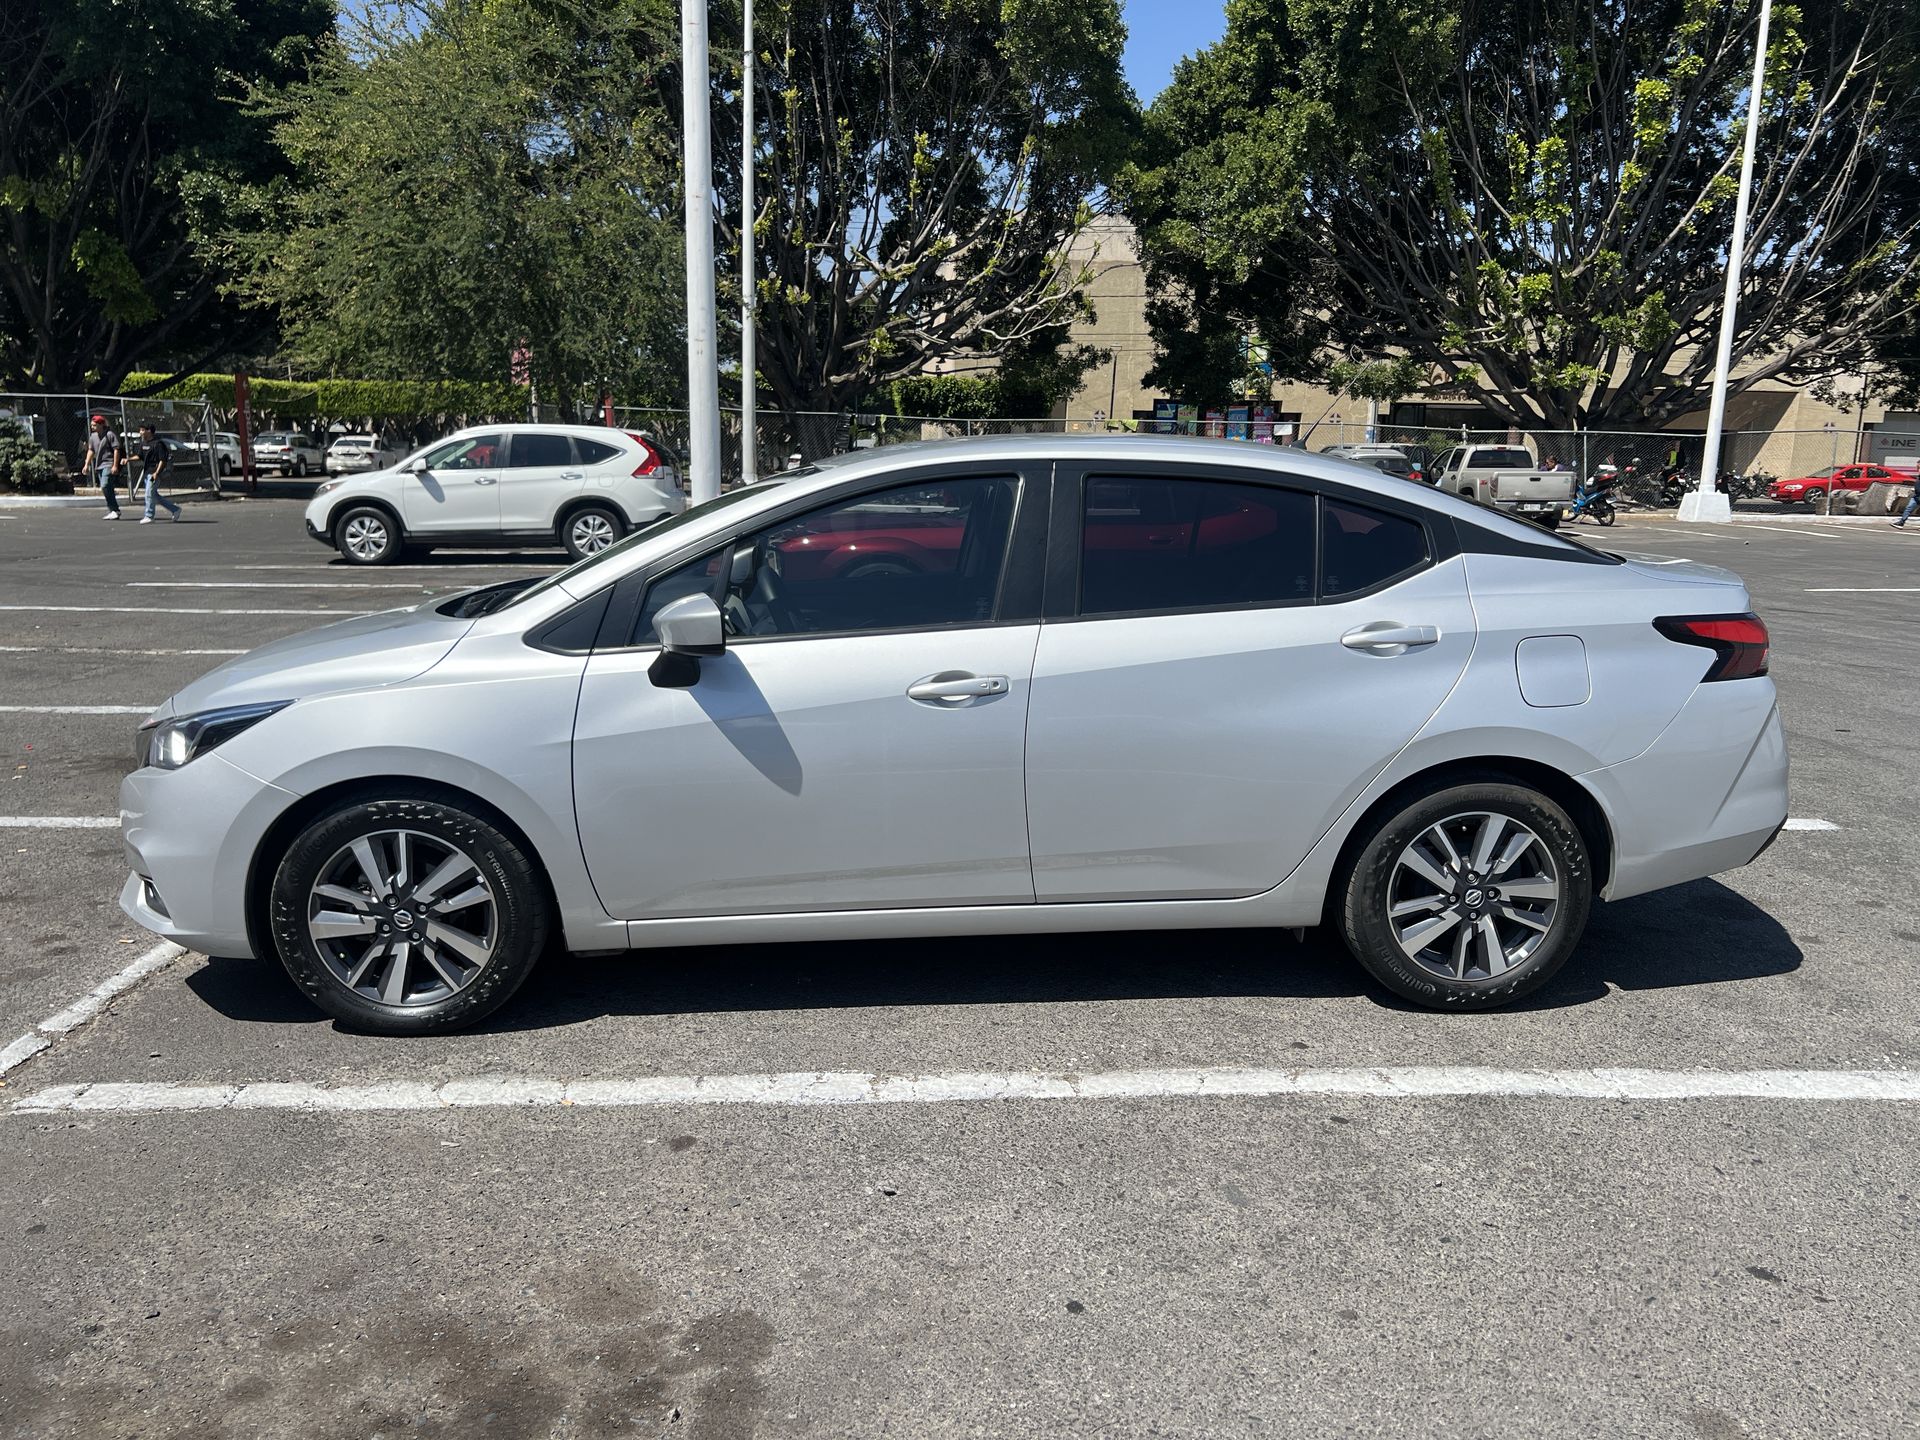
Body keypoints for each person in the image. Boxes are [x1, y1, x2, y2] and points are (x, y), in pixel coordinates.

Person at [130, 422, 182, 524]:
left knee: (149, 494)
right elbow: (140, 456)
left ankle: (149, 516)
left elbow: (162, 460)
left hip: (154, 473)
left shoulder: (158, 444)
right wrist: (127, 460)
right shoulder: (143, 443)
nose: (140, 432)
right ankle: (175, 509)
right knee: (154, 496)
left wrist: (156, 473)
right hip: (147, 473)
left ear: (149, 431)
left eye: (142, 430)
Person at [83, 414, 122, 519]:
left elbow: (116, 450)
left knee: (105, 485)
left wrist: (115, 465)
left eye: (94, 425)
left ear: (101, 425)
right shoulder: (93, 436)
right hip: (99, 465)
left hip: (108, 464)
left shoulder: (109, 435)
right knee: (106, 488)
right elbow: (91, 450)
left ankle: (114, 509)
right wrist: (86, 464)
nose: (92, 427)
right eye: (91, 425)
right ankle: (114, 510)